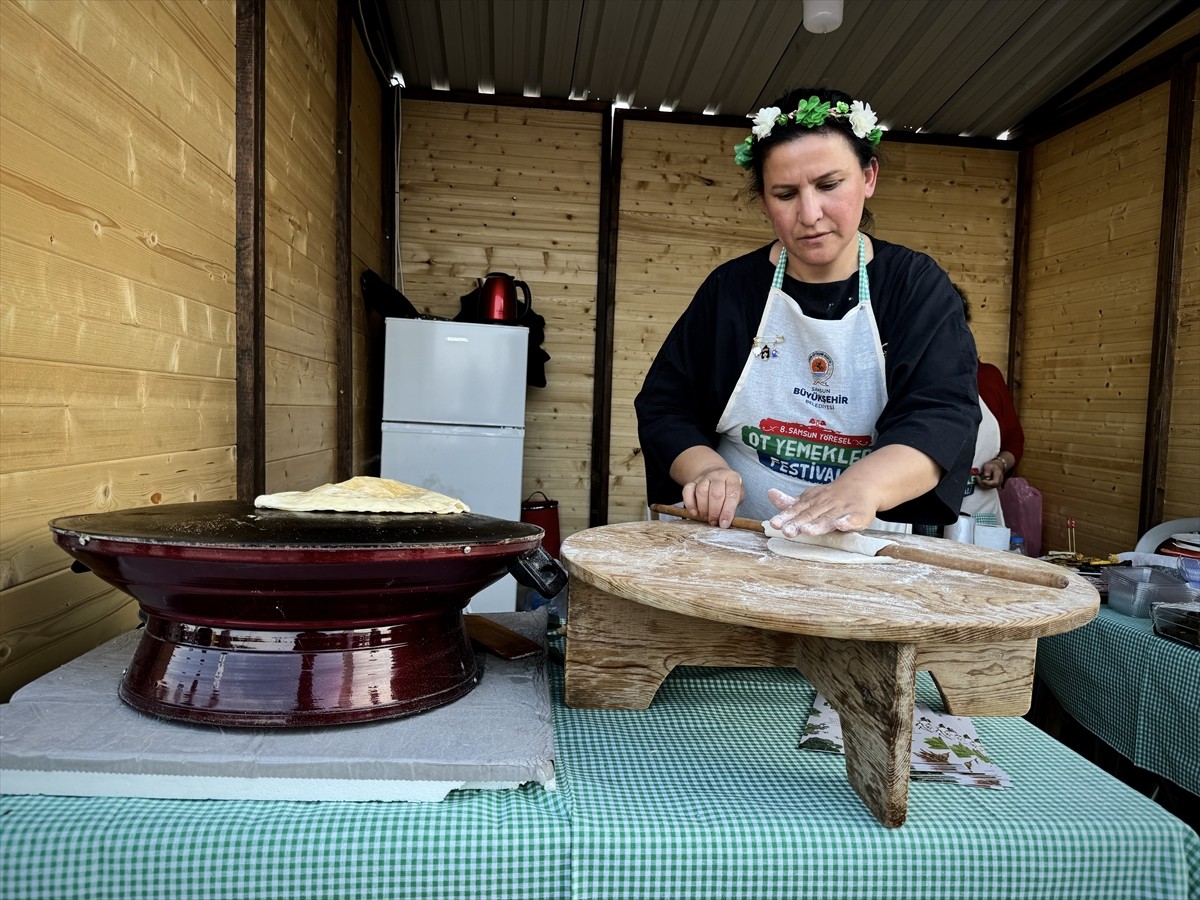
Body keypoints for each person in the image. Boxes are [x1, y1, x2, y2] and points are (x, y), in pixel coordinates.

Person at [635, 88, 981, 538]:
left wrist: (861, 487)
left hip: (863, 550)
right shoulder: (731, 290)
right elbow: (666, 406)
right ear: (763, 200)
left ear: (869, 177)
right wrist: (705, 471)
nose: (810, 213)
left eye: (829, 185)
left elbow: (942, 413)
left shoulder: (915, 287)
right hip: (733, 540)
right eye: (785, 194)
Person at [956, 286, 1025, 525]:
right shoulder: (912, 379)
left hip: (980, 507)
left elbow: (1014, 440)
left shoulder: (988, 377)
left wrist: (999, 464)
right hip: (924, 510)